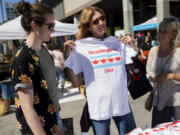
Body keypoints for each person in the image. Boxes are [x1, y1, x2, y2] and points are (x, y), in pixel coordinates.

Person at [65, 6, 136, 135]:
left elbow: (135, 64)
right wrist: (68, 56)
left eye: (102, 18)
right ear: (87, 27)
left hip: (121, 102)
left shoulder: (116, 43)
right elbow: (76, 82)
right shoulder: (80, 47)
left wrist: (132, 45)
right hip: (99, 106)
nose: (101, 23)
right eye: (95, 21)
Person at [11, 1, 64, 135]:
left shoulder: (43, 51)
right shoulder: (23, 58)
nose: (53, 30)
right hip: (38, 129)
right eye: (50, 26)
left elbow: (50, 90)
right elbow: (27, 108)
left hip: (52, 120)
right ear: (35, 25)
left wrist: (59, 121)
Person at [146, 18, 180, 127]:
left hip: (175, 104)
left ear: (173, 34)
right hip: (158, 103)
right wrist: (153, 77)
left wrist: (171, 76)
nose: (160, 34)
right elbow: (148, 73)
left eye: (165, 31)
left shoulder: (178, 52)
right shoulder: (152, 51)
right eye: (159, 31)